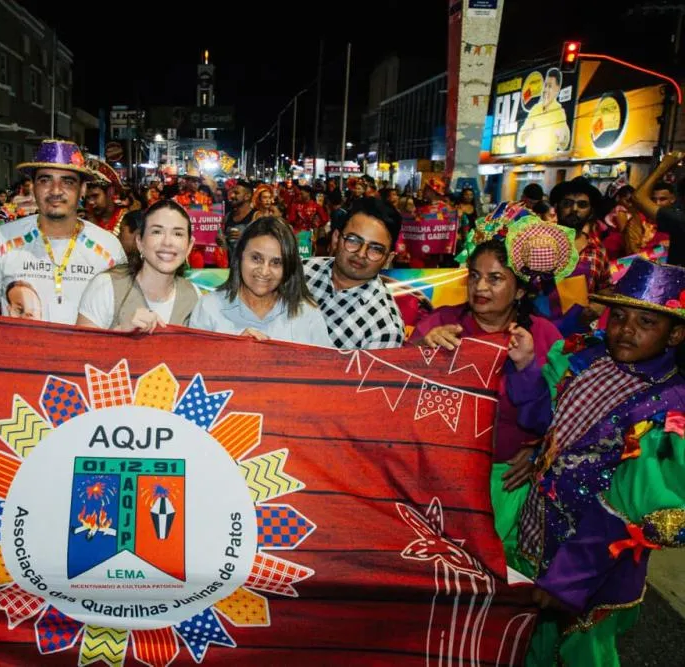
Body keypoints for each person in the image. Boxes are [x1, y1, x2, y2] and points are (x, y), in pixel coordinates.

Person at [503, 258, 685, 666]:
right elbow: (546, 420)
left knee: (582, 653)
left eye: (646, 322)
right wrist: (526, 367)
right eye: (618, 316)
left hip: (591, 567)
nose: (626, 329)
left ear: (675, 334)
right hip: (538, 534)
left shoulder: (669, 410)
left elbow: (625, 510)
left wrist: (567, 581)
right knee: (529, 643)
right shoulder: (589, 359)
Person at [410, 219, 575, 549]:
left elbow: (560, 421)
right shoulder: (440, 323)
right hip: (437, 479)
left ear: (521, 289)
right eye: (474, 276)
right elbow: (397, 400)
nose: (480, 287)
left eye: (495, 278)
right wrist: (421, 354)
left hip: (509, 485)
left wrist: (527, 369)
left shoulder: (544, 338)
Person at [0, 139, 127, 324]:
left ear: (82, 189)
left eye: (68, 182)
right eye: (45, 180)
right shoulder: (1, 241)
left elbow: (122, 318)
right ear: (33, 186)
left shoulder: (109, 248)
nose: (55, 191)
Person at [189, 217, 331, 347]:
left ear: (288, 267)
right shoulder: (209, 308)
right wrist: (231, 352)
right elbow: (194, 364)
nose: (264, 271)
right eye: (256, 258)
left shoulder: (306, 313)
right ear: (240, 256)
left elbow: (325, 365)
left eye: (276, 262)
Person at [78, 200, 201, 332]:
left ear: (189, 246)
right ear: (140, 242)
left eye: (178, 234)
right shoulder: (107, 286)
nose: (167, 242)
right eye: (157, 232)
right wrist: (120, 332)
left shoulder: (193, 295)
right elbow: (80, 344)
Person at [303, 197, 405, 350]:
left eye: (376, 249)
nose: (361, 254)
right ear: (336, 238)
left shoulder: (384, 329)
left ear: (388, 259)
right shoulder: (301, 271)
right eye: (353, 240)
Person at [554, 177, 612, 297]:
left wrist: (596, 304)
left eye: (582, 205)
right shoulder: (538, 241)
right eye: (567, 203)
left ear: (591, 212)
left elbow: (605, 289)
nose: (574, 209)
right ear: (557, 207)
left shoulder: (598, 251)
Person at [632, 150, 685, 267]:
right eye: (654, 199)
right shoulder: (637, 220)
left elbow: (638, 197)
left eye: (663, 199)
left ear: (676, 198)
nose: (657, 203)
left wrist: (664, 165)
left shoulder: (680, 220)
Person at [517, 68, 570, 155]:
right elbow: (520, 142)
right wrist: (528, 131)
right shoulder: (535, 109)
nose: (546, 90)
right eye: (545, 86)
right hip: (530, 159)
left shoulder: (559, 112)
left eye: (550, 86)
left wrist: (560, 138)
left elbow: (564, 144)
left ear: (557, 89)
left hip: (547, 160)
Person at [84, 161, 128, 234]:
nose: (90, 202)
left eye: (95, 196)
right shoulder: (86, 219)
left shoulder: (126, 221)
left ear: (110, 192)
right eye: (87, 198)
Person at [223, 180, 255, 257]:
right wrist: (222, 239)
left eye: (236, 193)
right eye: (232, 192)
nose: (232, 196)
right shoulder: (228, 216)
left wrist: (244, 237)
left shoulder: (257, 216)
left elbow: (264, 242)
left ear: (247, 196)